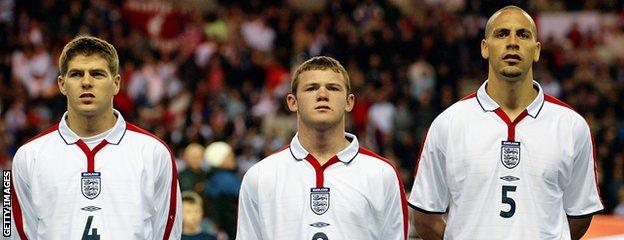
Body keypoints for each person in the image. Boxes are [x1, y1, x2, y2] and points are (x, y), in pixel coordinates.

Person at [409, 6, 603, 240]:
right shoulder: (449, 124)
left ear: (537, 50)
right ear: (485, 47)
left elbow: (579, 216)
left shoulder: (571, 126)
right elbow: (425, 217)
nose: (512, 42)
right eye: (501, 34)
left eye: (523, 34)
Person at [10, 35, 182, 239]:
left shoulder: (154, 153)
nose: (86, 82)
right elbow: (12, 231)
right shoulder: (28, 156)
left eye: (97, 74)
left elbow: (168, 233)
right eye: (76, 74)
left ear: (116, 83)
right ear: (62, 84)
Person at [236, 56, 408, 240]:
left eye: (333, 88)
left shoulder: (382, 174)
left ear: (349, 102)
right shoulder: (260, 176)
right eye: (311, 88)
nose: (322, 94)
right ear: (292, 102)